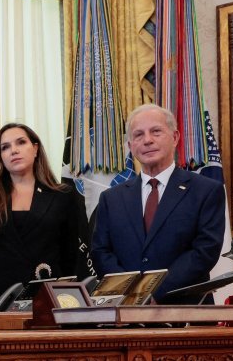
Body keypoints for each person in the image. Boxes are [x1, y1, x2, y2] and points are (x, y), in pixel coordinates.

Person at [91, 104, 225, 301]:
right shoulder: (111, 199)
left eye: (156, 131)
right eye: (139, 135)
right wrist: (131, 294)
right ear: (130, 146)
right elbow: (101, 252)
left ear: (175, 137)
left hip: (186, 309)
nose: (147, 140)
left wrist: (152, 292)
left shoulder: (206, 191)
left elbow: (205, 251)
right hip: (127, 310)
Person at [0, 123, 91, 311]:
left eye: (21, 142)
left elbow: (71, 255)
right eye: (5, 147)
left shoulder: (63, 196)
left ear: (35, 149)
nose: (14, 150)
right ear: (0, 157)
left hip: (48, 296)